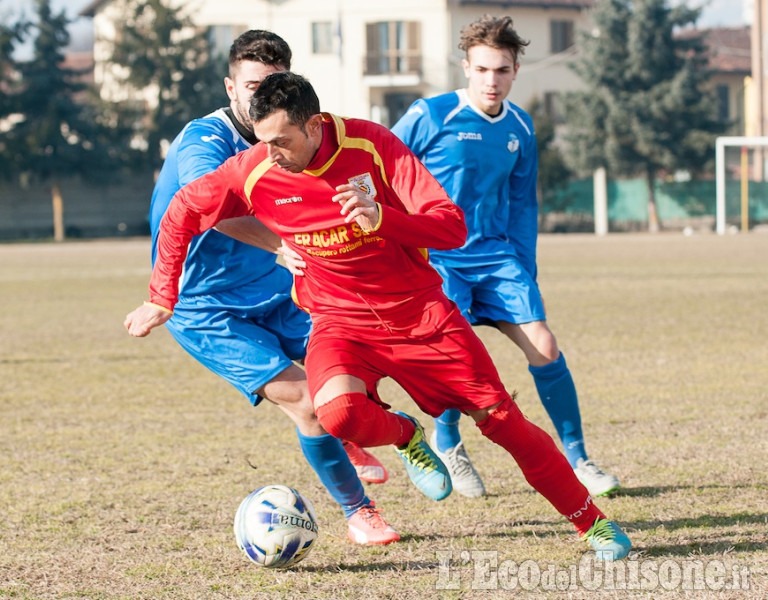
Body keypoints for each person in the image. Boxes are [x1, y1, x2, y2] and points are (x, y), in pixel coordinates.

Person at [125, 71, 632, 560]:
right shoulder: (256, 167)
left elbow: (450, 228)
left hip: (422, 316)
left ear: (315, 124)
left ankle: (592, 521)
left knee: (502, 423)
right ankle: (406, 435)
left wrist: (382, 218)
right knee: (335, 412)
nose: (270, 154)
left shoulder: (373, 145)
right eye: (262, 142)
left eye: (281, 141)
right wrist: (162, 296)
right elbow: (182, 211)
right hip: (339, 323)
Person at [129, 30, 398, 546]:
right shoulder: (202, 142)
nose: (260, 100)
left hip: (277, 290)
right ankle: (359, 513)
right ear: (231, 87)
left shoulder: (289, 138)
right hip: (205, 306)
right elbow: (209, 211)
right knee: (307, 400)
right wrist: (279, 244)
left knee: (359, 368)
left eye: (271, 86)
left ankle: (350, 435)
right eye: (251, 86)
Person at [391, 15, 621, 499]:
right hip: (440, 258)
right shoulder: (430, 115)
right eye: (482, 70)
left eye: (501, 70)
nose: (491, 80)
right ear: (465, 68)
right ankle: (449, 441)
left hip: (497, 258)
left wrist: (525, 268)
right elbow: (382, 169)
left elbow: (523, 202)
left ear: (517, 70)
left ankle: (578, 458)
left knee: (545, 345)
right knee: (455, 361)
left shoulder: (521, 125)